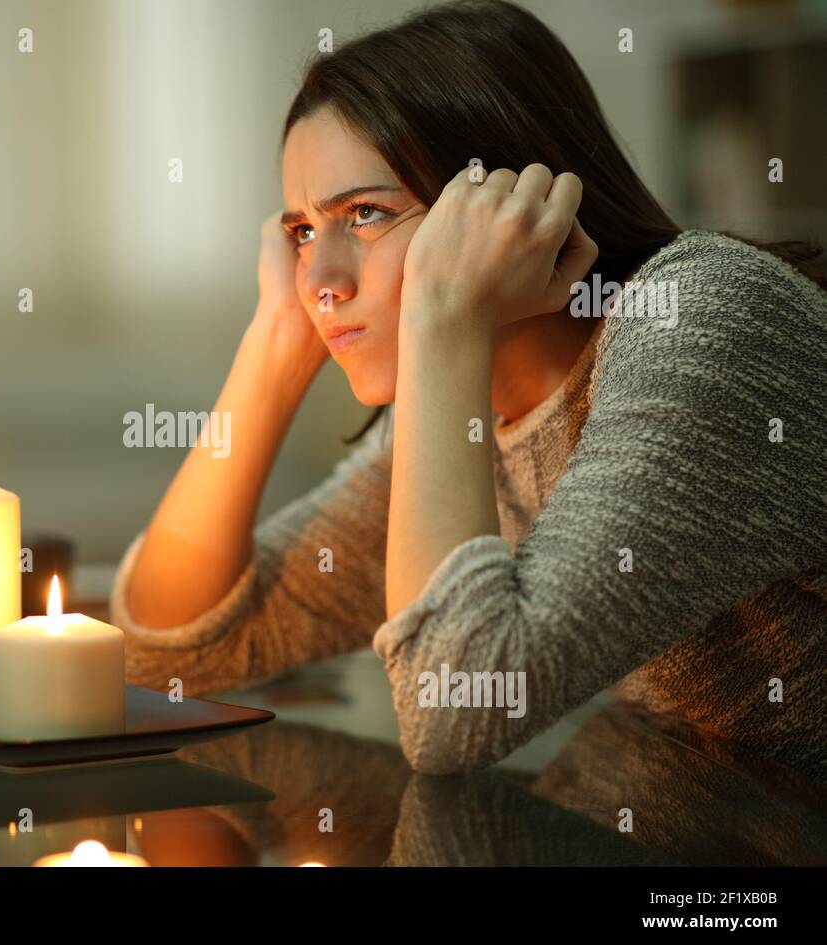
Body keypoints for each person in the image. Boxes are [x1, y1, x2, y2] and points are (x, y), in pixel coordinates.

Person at [110, 0, 827, 778]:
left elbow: (455, 716)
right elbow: (173, 651)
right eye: (302, 233)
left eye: (367, 213)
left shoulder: (702, 319)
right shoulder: (468, 406)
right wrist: (277, 340)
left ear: (512, 208)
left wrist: (445, 318)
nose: (319, 278)